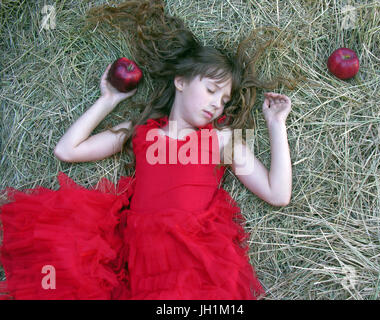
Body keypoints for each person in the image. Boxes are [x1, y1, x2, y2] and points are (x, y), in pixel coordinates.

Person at [0, 0, 292, 300]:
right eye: (211, 90)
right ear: (180, 81)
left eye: (224, 99)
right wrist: (110, 99)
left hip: (192, 257)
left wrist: (275, 124)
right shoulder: (141, 131)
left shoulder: (221, 140)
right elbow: (67, 150)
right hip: (137, 255)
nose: (217, 104)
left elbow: (277, 194)